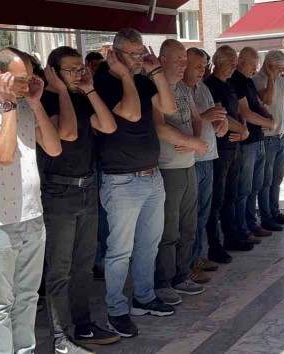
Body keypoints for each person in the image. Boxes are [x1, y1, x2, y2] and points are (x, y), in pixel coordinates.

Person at [0, 47, 62, 354]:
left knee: (28, 297)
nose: (26, 86)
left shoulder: (26, 104)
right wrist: (8, 107)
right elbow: (3, 155)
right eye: (20, 80)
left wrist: (36, 104)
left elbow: (54, 148)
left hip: (32, 216)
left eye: (30, 79)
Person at [93, 28, 177, 338]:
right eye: (133, 54)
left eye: (142, 52)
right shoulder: (104, 81)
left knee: (149, 244)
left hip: (151, 175)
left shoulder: (142, 78)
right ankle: (116, 310)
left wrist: (155, 72)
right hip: (121, 180)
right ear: (115, 54)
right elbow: (129, 112)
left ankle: (144, 297)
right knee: (119, 251)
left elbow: (169, 108)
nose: (139, 58)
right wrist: (125, 74)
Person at [39, 46, 119, 353]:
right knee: (59, 269)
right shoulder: (45, 100)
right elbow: (68, 133)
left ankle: (84, 325)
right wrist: (61, 91)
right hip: (58, 191)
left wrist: (90, 89)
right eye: (71, 70)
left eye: (80, 68)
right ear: (52, 72)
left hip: (87, 186)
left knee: (84, 265)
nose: (78, 74)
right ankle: (60, 337)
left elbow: (109, 126)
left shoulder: (81, 97)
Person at [153, 40, 207, 308]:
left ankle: (182, 276)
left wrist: (194, 140)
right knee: (168, 230)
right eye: (179, 60)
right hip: (167, 169)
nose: (184, 65)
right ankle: (163, 282)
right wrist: (193, 142)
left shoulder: (184, 88)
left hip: (187, 166)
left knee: (188, 226)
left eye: (185, 60)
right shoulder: (155, 87)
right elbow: (159, 127)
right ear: (163, 60)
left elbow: (196, 117)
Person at [204, 46, 251, 262]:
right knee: (217, 199)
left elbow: (238, 111)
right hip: (220, 149)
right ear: (218, 62)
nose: (234, 66)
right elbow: (221, 115)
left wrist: (244, 128)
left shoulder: (229, 84)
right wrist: (242, 130)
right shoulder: (211, 85)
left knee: (231, 195)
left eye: (235, 62)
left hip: (234, 147)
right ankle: (215, 245)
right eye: (231, 63)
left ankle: (232, 237)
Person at [183, 48, 226, 277]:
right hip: (190, 160)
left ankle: (197, 256)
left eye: (204, 66)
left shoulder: (203, 88)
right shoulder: (178, 90)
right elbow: (179, 125)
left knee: (203, 212)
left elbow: (215, 115)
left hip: (208, 157)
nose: (202, 71)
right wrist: (205, 117)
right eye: (198, 66)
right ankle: (187, 264)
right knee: (190, 215)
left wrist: (222, 123)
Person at [252, 50, 284, 231]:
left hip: (279, 137)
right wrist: (270, 77)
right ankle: (266, 216)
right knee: (265, 181)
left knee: (277, 179)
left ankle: (275, 212)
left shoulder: (280, 79)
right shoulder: (258, 80)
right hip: (266, 139)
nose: (281, 71)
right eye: (278, 68)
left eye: (282, 68)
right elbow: (268, 99)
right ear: (268, 65)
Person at [232, 47, 275, 247]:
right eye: (253, 63)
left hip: (258, 140)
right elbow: (246, 113)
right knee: (244, 190)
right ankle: (242, 229)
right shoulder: (236, 81)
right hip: (246, 144)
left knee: (255, 187)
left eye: (257, 63)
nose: (255, 68)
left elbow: (259, 105)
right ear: (241, 62)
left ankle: (251, 224)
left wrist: (268, 117)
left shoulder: (248, 81)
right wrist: (268, 122)